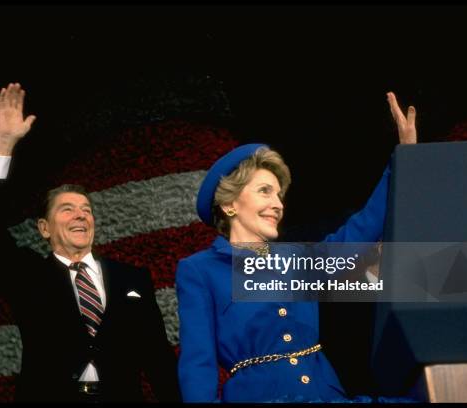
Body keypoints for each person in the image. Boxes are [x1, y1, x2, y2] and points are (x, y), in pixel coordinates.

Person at [175, 92, 417, 402]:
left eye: (279, 196)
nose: (277, 205)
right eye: (265, 191)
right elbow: (198, 364)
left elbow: (359, 233)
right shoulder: (199, 270)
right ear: (230, 204)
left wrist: (403, 159)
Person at [0, 83, 181, 402]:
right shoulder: (27, 276)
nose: (80, 216)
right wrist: (3, 143)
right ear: (44, 228)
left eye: (86, 210)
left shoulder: (131, 278)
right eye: (67, 209)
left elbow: (158, 359)